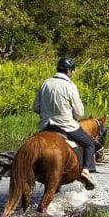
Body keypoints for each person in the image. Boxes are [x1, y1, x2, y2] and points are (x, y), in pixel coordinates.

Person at [32, 57, 96, 190]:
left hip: (46, 126)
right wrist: (72, 117)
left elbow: (36, 107)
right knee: (90, 143)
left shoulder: (45, 83)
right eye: (72, 71)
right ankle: (86, 171)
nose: (72, 73)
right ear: (68, 71)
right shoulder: (70, 86)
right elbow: (79, 112)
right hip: (66, 126)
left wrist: (46, 114)